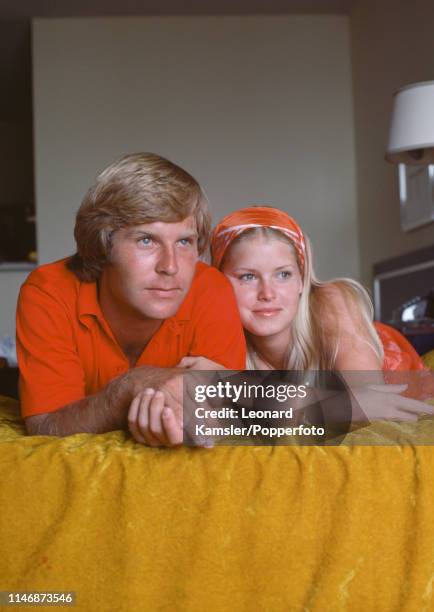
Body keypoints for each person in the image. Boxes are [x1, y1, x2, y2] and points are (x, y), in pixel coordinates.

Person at [16, 153, 246, 446]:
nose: (171, 266)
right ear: (102, 245)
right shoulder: (48, 291)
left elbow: (230, 415)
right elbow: (45, 425)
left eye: (184, 241)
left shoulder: (210, 288)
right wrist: (130, 387)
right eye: (146, 240)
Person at [176, 205, 433, 425]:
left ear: (302, 281)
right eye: (248, 276)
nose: (267, 293)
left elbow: (370, 402)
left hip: (391, 367)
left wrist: (237, 388)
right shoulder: (215, 328)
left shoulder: (330, 301)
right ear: (221, 284)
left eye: (283, 274)